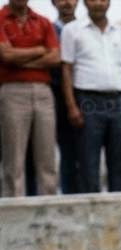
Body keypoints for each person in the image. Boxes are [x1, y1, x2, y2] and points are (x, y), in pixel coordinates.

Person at [61, 0, 121, 193]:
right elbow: (67, 69)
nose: (98, 3)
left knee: (119, 162)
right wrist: (71, 106)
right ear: (85, 3)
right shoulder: (72, 30)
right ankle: (90, 215)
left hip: (119, 102)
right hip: (88, 102)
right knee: (88, 163)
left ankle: (118, 216)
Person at [0, 0, 60, 196]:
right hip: (12, 91)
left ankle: (49, 210)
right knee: (14, 159)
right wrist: (39, 50)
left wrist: (21, 60)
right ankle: (14, 210)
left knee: (47, 158)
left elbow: (55, 57)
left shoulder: (42, 21)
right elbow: (6, 55)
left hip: (43, 91)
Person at [50, 0, 80, 194]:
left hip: (84, 97)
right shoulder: (48, 29)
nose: (67, 2)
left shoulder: (86, 29)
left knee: (80, 153)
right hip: (53, 96)